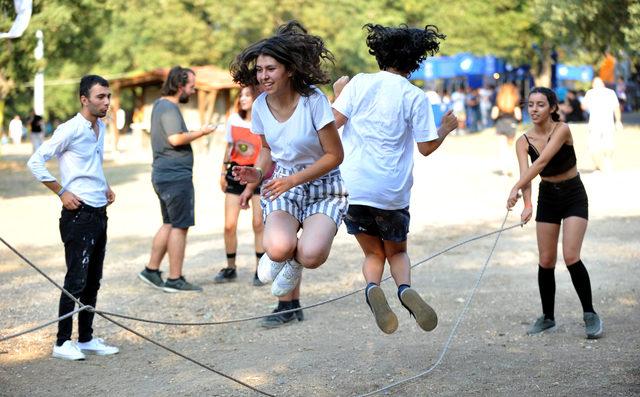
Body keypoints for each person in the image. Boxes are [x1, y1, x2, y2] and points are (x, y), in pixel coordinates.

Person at [332, 23, 457, 334]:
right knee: (396, 252)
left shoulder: (359, 83)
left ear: (380, 53)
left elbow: (333, 123)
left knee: (373, 253)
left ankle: (373, 287)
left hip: (354, 188)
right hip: (391, 191)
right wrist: (445, 129)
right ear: (414, 61)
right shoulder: (415, 97)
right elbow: (426, 148)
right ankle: (404, 290)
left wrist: (339, 94)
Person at [230, 21, 348, 327]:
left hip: (323, 185)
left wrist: (293, 179)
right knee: (277, 247)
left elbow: (335, 156)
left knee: (311, 255)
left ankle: (296, 267)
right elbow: (268, 149)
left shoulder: (313, 101)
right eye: (259, 70)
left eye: (270, 69)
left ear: (290, 70)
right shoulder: (259, 106)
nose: (263, 76)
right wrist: (256, 173)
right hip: (283, 184)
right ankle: (287, 293)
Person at [27, 75, 119, 360]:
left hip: (98, 210)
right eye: (100, 97)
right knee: (75, 280)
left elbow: (93, 162)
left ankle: (87, 338)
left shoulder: (99, 126)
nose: (106, 102)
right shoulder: (70, 129)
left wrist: (104, 185)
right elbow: (35, 162)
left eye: (108, 96)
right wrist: (61, 192)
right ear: (84, 99)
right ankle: (62, 342)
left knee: (93, 280)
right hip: (77, 215)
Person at [507, 87, 603, 339]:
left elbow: (540, 164)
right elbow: (526, 176)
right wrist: (526, 203)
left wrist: (514, 188)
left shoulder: (562, 130)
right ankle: (548, 317)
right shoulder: (523, 141)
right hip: (548, 196)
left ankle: (590, 314)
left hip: (573, 194)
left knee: (571, 256)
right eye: (530, 105)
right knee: (546, 259)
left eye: (540, 104)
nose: (534, 109)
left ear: (552, 108)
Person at [138, 66, 215, 292]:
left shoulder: (160, 106)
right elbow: (175, 138)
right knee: (180, 226)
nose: (192, 91)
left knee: (170, 223)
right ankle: (175, 278)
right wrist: (202, 132)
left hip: (164, 175)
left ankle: (151, 270)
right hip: (175, 177)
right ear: (180, 85)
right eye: (191, 87)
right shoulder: (169, 108)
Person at [214, 85, 265, 286]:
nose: (243, 98)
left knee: (258, 223)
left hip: (258, 173)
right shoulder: (233, 120)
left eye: (248, 95)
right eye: (241, 95)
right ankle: (230, 267)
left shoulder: (263, 121)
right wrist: (222, 172)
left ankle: (260, 270)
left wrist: (251, 185)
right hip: (235, 172)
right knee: (229, 225)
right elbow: (229, 148)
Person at [582, 77, 622, 172]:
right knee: (602, 145)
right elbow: (616, 107)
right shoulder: (610, 92)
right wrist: (618, 121)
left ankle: (602, 165)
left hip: (599, 123)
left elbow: (583, 106)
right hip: (603, 123)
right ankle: (602, 164)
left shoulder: (591, 93)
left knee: (598, 146)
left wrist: (618, 121)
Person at [492, 82, 522, 176]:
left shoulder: (498, 101)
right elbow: (518, 116)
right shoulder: (515, 101)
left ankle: (504, 169)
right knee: (510, 148)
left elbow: (494, 115)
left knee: (502, 148)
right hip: (511, 124)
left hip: (500, 124)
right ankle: (509, 168)